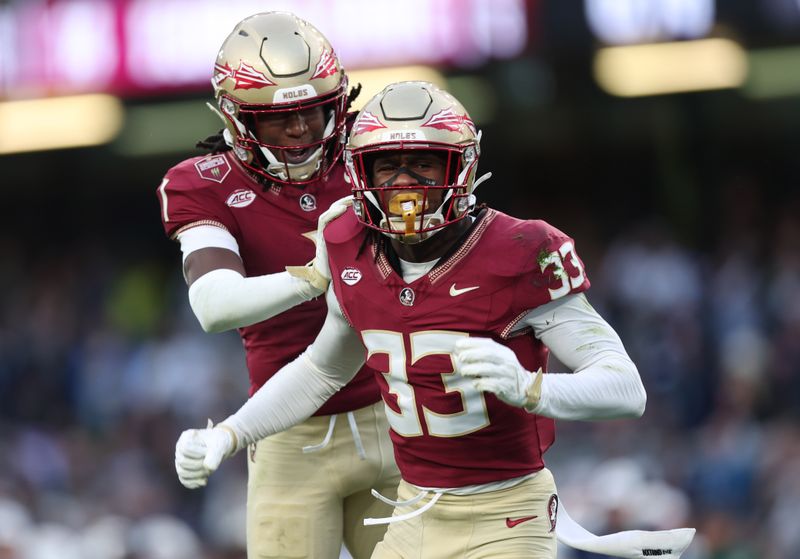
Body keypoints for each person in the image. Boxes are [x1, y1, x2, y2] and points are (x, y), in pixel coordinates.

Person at [174, 82, 695, 558]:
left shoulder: (521, 249)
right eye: (387, 166)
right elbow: (322, 372)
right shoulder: (348, 246)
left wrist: (532, 388)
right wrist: (230, 434)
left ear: (460, 168)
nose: (405, 184)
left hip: (506, 513)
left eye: (424, 163)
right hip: (413, 511)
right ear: (360, 174)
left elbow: (627, 390)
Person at [156, 12, 399, 559]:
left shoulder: (374, 150)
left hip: (397, 412)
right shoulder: (204, 183)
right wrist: (312, 278)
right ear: (237, 119)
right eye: (278, 119)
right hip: (290, 429)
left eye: (313, 112)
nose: (300, 131)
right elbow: (215, 306)